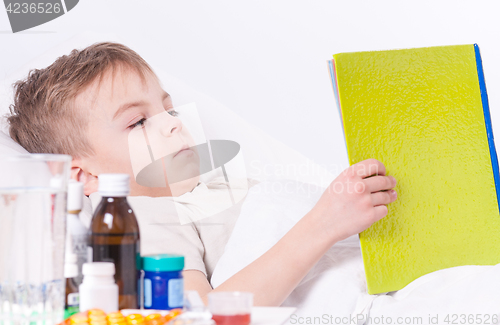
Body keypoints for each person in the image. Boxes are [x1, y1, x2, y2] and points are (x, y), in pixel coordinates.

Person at [6, 42, 398, 306]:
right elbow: (203, 319)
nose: (173, 124)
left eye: (168, 108)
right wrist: (323, 223)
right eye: (138, 121)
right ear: (83, 177)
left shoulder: (208, 192)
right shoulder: (137, 217)